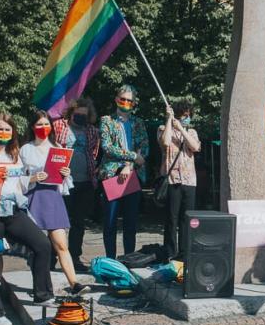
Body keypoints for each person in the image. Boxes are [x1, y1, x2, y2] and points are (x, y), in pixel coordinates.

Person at [0, 112, 55, 325]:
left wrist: (32, 179)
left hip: (14, 210)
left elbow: (19, 182)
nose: (4, 133)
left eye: (8, 129)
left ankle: (42, 293)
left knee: (43, 245)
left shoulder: (14, 153)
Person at [20, 111, 89, 295]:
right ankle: (40, 287)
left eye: (46, 124)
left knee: (61, 244)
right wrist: (34, 177)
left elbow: (65, 181)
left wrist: (66, 174)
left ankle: (74, 283)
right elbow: (18, 178)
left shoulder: (57, 146)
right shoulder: (25, 149)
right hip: (34, 197)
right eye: (39, 125)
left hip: (53, 197)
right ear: (32, 127)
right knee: (37, 247)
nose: (43, 128)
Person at [99, 85, 149, 258]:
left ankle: (129, 260)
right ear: (116, 99)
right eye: (123, 99)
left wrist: (130, 165)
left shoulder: (139, 122)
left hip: (132, 175)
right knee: (110, 222)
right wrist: (133, 156)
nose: (126, 102)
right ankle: (110, 261)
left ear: (134, 103)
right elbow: (107, 147)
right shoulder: (107, 120)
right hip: (112, 175)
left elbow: (145, 148)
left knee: (131, 223)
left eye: (129, 100)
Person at [52, 98, 100, 272]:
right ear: (71, 113)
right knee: (58, 222)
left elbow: (94, 152)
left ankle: (74, 257)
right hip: (62, 182)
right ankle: (52, 256)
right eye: (77, 115)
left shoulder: (93, 131)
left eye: (84, 116)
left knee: (78, 223)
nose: (80, 118)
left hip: (85, 181)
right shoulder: (59, 126)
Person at [158, 100, 201, 260]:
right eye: (184, 115)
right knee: (172, 218)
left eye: (188, 115)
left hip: (189, 181)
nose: (186, 118)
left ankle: (184, 252)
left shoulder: (192, 132)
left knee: (186, 218)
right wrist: (169, 120)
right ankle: (169, 252)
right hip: (172, 179)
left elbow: (195, 147)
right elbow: (165, 142)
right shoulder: (163, 129)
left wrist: (182, 129)